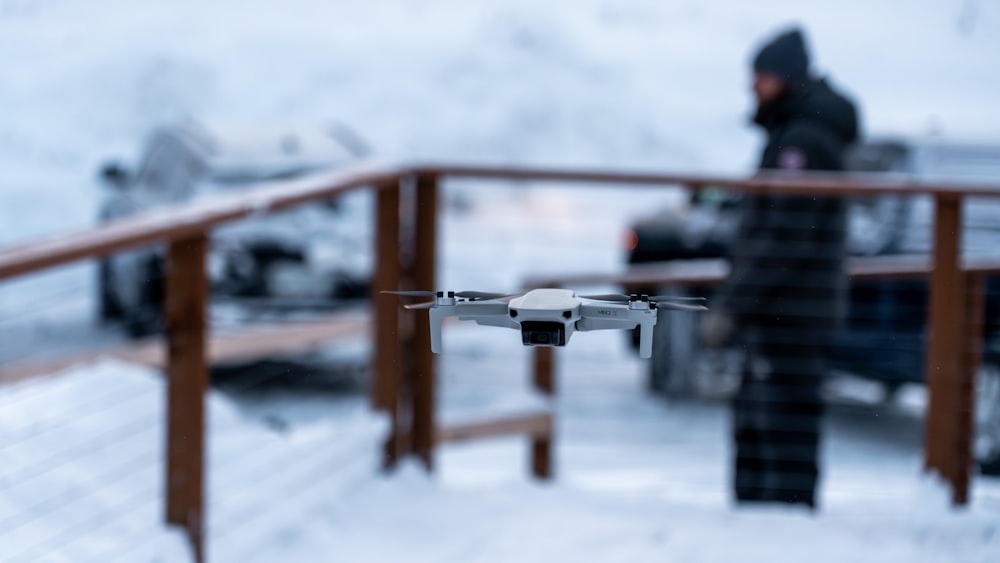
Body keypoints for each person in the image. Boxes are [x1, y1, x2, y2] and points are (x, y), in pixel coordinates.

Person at [698, 26, 860, 509]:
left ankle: (780, 534)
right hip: (788, 311)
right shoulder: (799, 133)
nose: (753, 87)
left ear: (785, 79)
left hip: (788, 314)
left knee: (779, 435)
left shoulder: (803, 142)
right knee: (768, 428)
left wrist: (733, 307)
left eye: (762, 76)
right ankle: (766, 530)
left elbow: (784, 238)